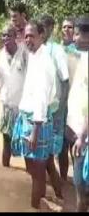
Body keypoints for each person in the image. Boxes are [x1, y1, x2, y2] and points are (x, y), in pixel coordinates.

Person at [11, 20, 62, 209]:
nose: (28, 39)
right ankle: (58, 196)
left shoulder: (44, 63)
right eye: (26, 36)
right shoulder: (35, 55)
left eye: (31, 35)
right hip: (30, 118)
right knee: (42, 165)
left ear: (42, 36)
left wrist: (35, 130)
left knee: (37, 173)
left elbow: (41, 98)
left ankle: (34, 206)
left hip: (36, 121)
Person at [0, 24, 28, 167]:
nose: (5, 38)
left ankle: (31, 174)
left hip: (22, 106)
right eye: (3, 35)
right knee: (6, 141)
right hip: (6, 106)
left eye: (8, 35)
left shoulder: (24, 53)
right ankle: (6, 171)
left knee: (26, 141)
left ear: (15, 37)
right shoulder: (0, 56)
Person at [40, 14, 70, 182]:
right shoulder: (37, 49)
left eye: (45, 27)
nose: (42, 31)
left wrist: (61, 108)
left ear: (51, 29)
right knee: (43, 149)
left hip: (55, 108)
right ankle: (49, 183)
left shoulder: (57, 51)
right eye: (40, 27)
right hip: (41, 109)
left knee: (56, 149)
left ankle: (62, 183)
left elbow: (65, 81)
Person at [68, 48, 88, 212]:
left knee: (80, 184)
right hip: (80, 131)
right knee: (80, 184)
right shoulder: (83, 58)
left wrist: (82, 137)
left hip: (84, 136)